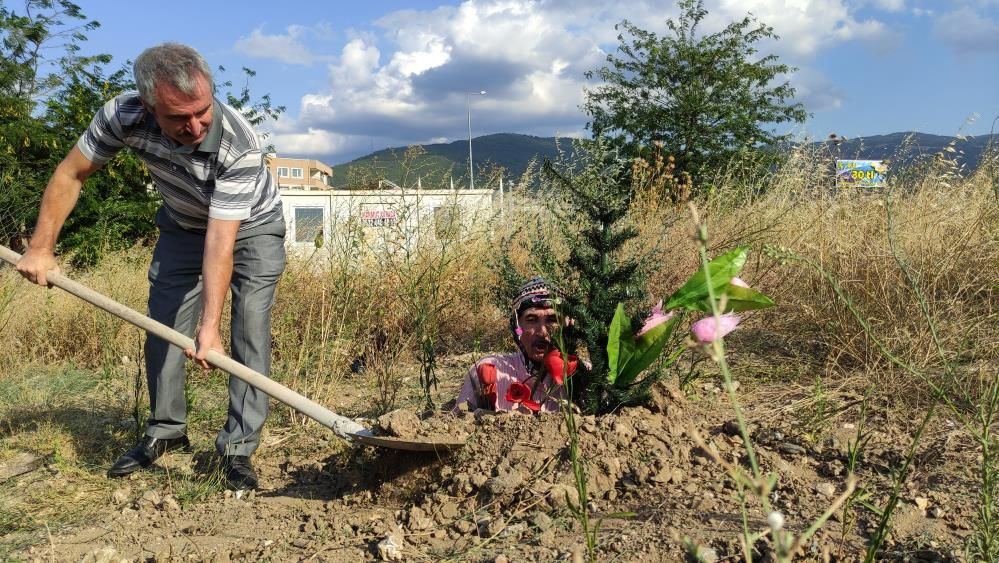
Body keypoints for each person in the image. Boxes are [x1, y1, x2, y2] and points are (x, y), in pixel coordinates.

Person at [15, 43, 284, 490]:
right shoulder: (122, 116)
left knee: (249, 326)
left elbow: (222, 239)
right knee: (164, 323)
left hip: (250, 227)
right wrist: (41, 248)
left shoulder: (239, 143)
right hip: (181, 225)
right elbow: (71, 174)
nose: (196, 126)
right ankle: (166, 431)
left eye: (202, 111)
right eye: (179, 118)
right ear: (148, 105)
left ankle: (238, 448)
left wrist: (210, 326)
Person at [454, 276, 578, 413]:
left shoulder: (580, 375)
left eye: (552, 320)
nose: (542, 332)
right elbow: (458, 416)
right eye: (531, 320)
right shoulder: (490, 369)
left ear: (567, 325)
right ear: (516, 328)